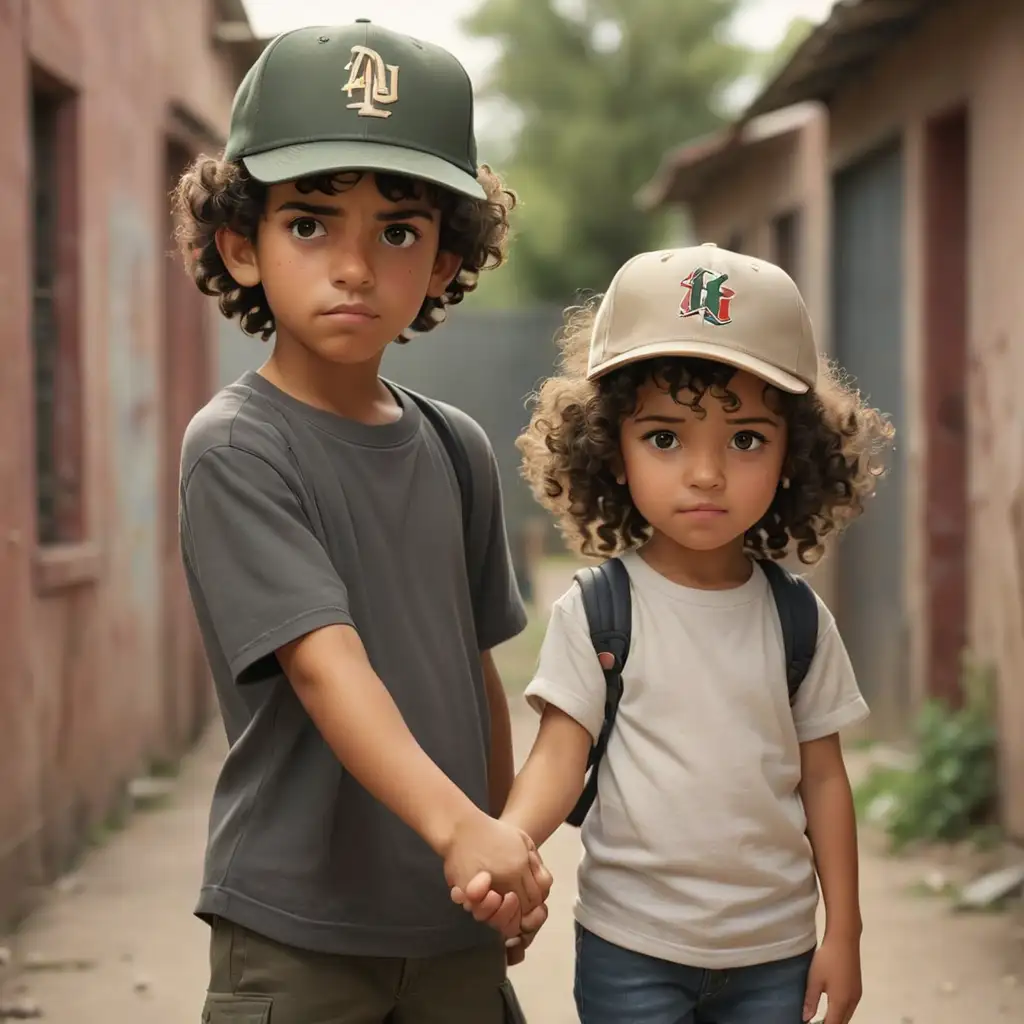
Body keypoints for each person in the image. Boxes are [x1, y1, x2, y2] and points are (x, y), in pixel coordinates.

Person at [173, 18, 549, 1023]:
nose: (353, 264)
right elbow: (325, 664)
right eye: (309, 223)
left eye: (397, 230)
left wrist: (502, 842)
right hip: (298, 934)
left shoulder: (458, 446)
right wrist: (460, 831)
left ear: (441, 262)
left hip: (448, 919)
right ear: (239, 247)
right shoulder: (236, 447)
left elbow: (477, 681)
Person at [453, 244, 894, 1024]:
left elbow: (824, 780)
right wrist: (507, 848)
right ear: (610, 448)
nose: (706, 474)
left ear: (795, 451)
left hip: (776, 956)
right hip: (631, 953)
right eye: (665, 437)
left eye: (746, 439)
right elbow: (560, 755)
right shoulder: (596, 613)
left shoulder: (799, 620)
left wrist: (845, 934)